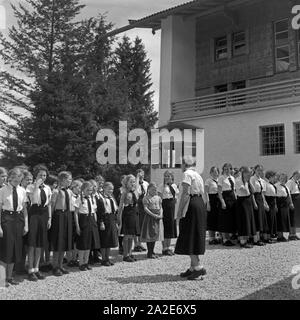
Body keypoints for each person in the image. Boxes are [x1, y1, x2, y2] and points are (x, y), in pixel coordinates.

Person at [175, 156, 207, 281]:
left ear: (184, 164)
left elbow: (185, 193)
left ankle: (198, 267)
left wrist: (179, 211)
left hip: (191, 204)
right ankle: (193, 267)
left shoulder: (186, 174)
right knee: (194, 233)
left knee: (189, 234)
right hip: (199, 202)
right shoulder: (197, 175)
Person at [0, 168, 28, 286]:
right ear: (10, 177)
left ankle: (9, 277)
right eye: (15, 180)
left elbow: (24, 208)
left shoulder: (22, 190)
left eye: (19, 180)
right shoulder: (2, 190)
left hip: (19, 219)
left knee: (15, 249)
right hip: (7, 218)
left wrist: (26, 224)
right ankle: (2, 279)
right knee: (5, 249)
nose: (17, 182)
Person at [26, 164, 52, 281]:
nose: (43, 177)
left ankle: (37, 269)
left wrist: (50, 218)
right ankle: (30, 269)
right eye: (40, 175)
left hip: (44, 214)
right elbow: (32, 199)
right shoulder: (30, 187)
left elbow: (49, 203)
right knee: (32, 243)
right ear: (36, 175)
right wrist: (36, 185)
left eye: (45, 175)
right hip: (34, 213)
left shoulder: (48, 188)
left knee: (40, 244)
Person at [50, 171, 73, 276]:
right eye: (69, 179)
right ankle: (55, 266)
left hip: (67, 215)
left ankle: (60, 265)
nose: (70, 181)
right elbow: (52, 205)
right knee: (58, 242)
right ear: (63, 179)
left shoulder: (69, 191)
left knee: (64, 241)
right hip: (58, 215)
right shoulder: (56, 191)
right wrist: (51, 218)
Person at [74, 181, 100, 271]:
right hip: (83, 220)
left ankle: (86, 262)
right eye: (88, 190)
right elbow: (76, 213)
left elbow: (94, 211)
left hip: (92, 220)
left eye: (91, 190)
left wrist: (95, 222)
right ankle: (81, 263)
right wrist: (77, 226)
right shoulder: (80, 199)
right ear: (83, 189)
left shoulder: (92, 198)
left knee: (89, 243)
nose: (90, 192)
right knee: (83, 243)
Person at [118, 175, 140, 262]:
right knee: (127, 235)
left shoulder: (135, 192)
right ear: (126, 183)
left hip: (134, 214)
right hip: (127, 215)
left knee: (132, 235)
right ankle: (125, 254)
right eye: (131, 182)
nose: (133, 183)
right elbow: (120, 206)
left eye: (134, 181)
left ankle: (130, 253)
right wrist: (118, 217)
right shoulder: (124, 192)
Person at [98, 182, 119, 266]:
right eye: (109, 189)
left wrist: (116, 222)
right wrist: (101, 222)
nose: (111, 190)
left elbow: (115, 211)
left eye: (112, 189)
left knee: (110, 240)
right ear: (104, 188)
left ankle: (107, 258)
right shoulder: (101, 198)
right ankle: (103, 259)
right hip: (105, 219)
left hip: (111, 219)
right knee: (104, 240)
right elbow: (100, 212)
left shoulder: (112, 198)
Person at [158, 171, 179, 255]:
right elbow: (159, 199)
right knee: (165, 227)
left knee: (171, 227)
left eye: (168, 176)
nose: (167, 177)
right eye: (165, 176)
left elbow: (176, 197)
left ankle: (168, 247)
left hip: (172, 207)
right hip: (165, 206)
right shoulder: (161, 186)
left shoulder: (174, 186)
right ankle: (164, 248)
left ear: (172, 177)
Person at [141, 183, 164, 259]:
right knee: (149, 234)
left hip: (157, 217)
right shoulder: (146, 198)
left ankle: (152, 251)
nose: (154, 191)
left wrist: (160, 214)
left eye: (155, 189)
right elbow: (146, 208)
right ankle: (149, 252)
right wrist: (154, 215)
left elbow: (161, 207)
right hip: (150, 217)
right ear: (149, 190)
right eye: (152, 189)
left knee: (155, 234)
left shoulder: (158, 197)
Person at [235, 167, 256, 248]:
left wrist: (249, 182)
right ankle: (242, 242)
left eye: (250, 174)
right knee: (243, 220)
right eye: (248, 174)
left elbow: (253, 191)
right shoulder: (238, 180)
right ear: (244, 173)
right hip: (242, 201)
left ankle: (246, 239)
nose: (249, 175)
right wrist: (246, 183)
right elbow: (246, 191)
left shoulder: (247, 181)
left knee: (247, 221)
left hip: (248, 201)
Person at [250, 165, 269, 245]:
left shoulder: (262, 180)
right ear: (255, 170)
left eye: (261, 170)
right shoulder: (252, 179)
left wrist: (265, 203)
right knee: (256, 219)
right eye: (258, 170)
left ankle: (260, 238)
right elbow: (252, 193)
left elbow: (262, 193)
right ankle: (255, 239)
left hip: (261, 199)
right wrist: (254, 203)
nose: (260, 172)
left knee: (261, 219)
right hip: (255, 199)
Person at [218, 163, 236, 246]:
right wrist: (222, 202)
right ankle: (225, 239)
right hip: (225, 198)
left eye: (229, 169)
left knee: (231, 219)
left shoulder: (232, 178)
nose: (227, 170)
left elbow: (234, 190)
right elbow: (219, 192)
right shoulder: (221, 178)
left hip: (232, 198)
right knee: (225, 219)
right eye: (225, 169)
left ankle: (230, 238)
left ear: (231, 170)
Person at [66, 179, 83, 267]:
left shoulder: (80, 197)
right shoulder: (69, 195)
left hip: (78, 216)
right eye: (79, 187)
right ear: (74, 187)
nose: (80, 189)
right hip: (70, 216)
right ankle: (69, 259)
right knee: (70, 239)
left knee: (76, 240)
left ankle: (74, 258)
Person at [205, 167, 221, 245]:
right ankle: (211, 238)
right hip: (211, 200)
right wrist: (208, 203)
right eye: (213, 172)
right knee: (211, 219)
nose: (215, 173)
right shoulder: (208, 181)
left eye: (216, 171)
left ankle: (218, 237)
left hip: (219, 200)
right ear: (210, 173)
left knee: (218, 218)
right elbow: (206, 193)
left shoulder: (220, 180)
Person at [133, 169, 149, 252]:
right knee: (137, 224)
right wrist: (137, 179)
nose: (141, 176)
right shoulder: (135, 183)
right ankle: (136, 244)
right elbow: (135, 191)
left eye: (142, 174)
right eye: (139, 174)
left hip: (144, 204)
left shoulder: (146, 184)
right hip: (137, 204)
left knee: (142, 224)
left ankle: (140, 243)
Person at [276, 173, 292, 242]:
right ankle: (279, 236)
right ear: (279, 178)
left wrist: (291, 203)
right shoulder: (276, 186)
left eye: (284, 178)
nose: (282, 179)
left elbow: (289, 195)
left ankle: (282, 235)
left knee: (284, 220)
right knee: (280, 220)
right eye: (281, 178)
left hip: (286, 205)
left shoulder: (286, 186)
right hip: (280, 204)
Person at [264, 171, 278, 241]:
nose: (275, 178)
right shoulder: (266, 184)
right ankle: (267, 236)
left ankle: (272, 234)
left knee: (272, 219)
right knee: (269, 219)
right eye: (274, 176)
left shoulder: (273, 185)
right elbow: (264, 195)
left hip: (273, 202)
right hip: (268, 201)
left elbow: (274, 195)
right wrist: (266, 204)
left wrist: (275, 204)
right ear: (270, 177)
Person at [286, 171, 300, 240]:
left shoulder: (297, 182)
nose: (298, 177)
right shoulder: (290, 182)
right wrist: (290, 203)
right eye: (297, 175)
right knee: (292, 218)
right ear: (293, 175)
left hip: (297, 202)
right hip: (293, 201)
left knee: (295, 218)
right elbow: (288, 193)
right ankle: (291, 235)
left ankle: (294, 234)